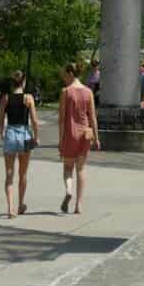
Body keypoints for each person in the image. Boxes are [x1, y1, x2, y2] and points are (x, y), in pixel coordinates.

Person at [57, 62, 100, 214]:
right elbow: (93, 116)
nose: (63, 77)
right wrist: (97, 137)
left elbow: (62, 119)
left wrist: (60, 140)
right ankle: (78, 205)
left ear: (70, 73)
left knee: (68, 168)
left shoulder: (65, 92)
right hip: (85, 134)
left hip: (70, 133)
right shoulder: (88, 92)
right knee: (81, 169)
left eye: (64, 74)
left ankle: (69, 190)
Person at [0, 71, 39, 218]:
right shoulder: (28, 98)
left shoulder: (6, 98)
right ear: (24, 82)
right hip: (24, 135)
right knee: (23, 173)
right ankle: (21, 204)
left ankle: (10, 209)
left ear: (12, 83)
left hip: (10, 134)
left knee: (9, 174)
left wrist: (1, 133)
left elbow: (1, 119)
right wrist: (36, 137)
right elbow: (34, 120)